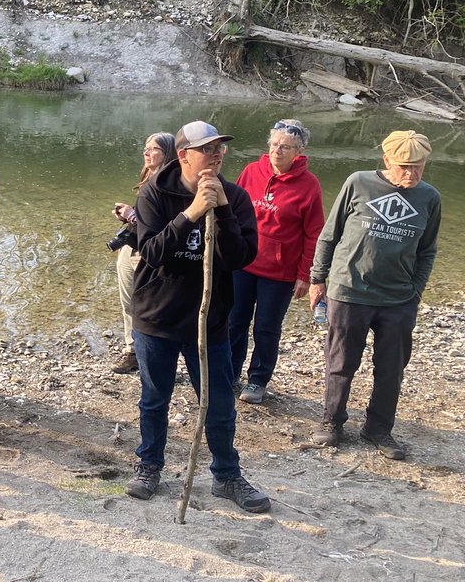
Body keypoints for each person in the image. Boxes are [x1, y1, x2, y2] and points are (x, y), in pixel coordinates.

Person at [126, 120, 270, 513]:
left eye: (220, 148)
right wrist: (191, 213)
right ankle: (149, 465)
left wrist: (220, 211)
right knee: (155, 398)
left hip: (210, 322)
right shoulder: (155, 192)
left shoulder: (235, 198)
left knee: (219, 401)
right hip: (157, 316)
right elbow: (152, 251)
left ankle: (226, 475)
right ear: (185, 155)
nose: (217, 155)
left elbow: (240, 258)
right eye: (208, 149)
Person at [308, 130, 441, 461]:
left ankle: (378, 428)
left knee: (391, 367)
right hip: (349, 291)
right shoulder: (359, 183)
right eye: (404, 166)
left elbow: (427, 251)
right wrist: (317, 278)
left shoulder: (429, 197)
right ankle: (332, 421)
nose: (411, 174)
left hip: (397, 298)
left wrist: (415, 292)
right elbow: (329, 235)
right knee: (341, 362)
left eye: (418, 167)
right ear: (386, 161)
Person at [228, 119, 325, 404]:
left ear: (299, 151)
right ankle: (230, 372)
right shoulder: (251, 171)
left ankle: (258, 380)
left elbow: (314, 233)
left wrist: (306, 274)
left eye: (285, 147)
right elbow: (232, 213)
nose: (277, 151)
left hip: (280, 273)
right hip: (243, 264)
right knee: (234, 321)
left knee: (266, 328)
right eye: (273, 144)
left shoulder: (309, 185)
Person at [109, 132, 175, 375]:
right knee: (128, 302)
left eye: (153, 149)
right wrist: (129, 216)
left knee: (149, 304)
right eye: (146, 148)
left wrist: (131, 215)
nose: (146, 153)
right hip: (131, 246)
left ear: (168, 153)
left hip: (148, 253)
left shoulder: (172, 183)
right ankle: (132, 351)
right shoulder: (148, 176)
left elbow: (162, 224)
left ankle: (151, 353)